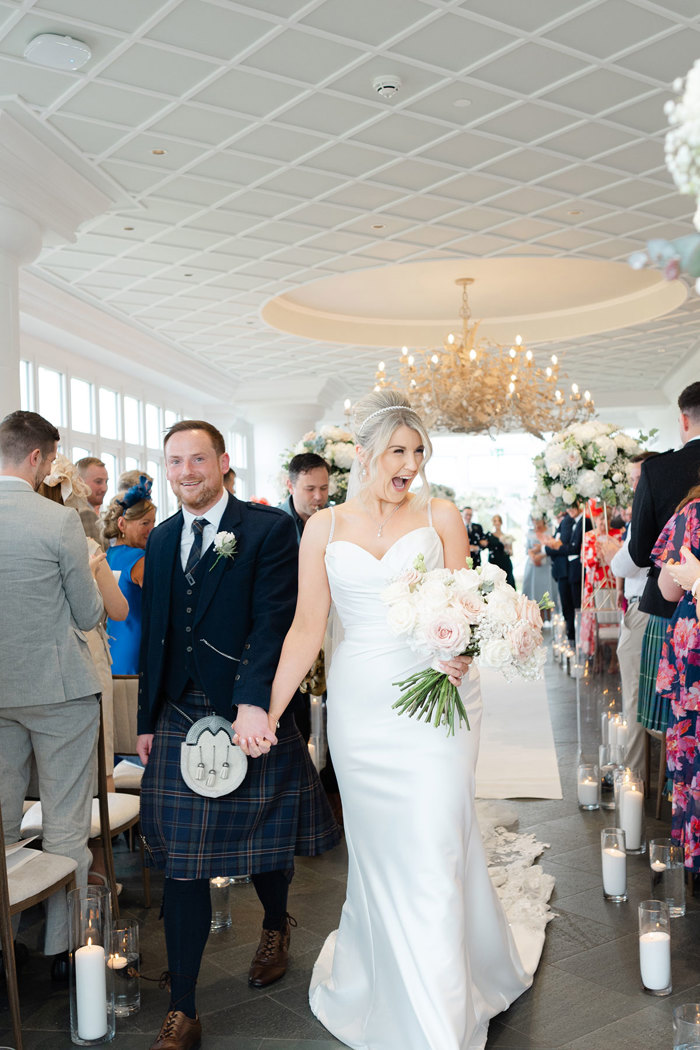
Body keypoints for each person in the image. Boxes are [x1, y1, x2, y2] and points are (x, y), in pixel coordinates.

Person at [252, 390, 543, 1050]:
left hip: (438, 703)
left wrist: (464, 652)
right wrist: (271, 708)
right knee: (384, 852)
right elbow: (307, 626)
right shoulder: (322, 528)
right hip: (362, 709)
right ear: (364, 455)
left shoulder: (440, 514)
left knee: (437, 837)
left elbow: (466, 601)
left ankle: (441, 1013)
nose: (408, 463)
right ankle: (390, 978)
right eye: (397, 451)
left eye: (418, 451)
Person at [136, 420, 339, 1050]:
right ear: (165, 469)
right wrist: (146, 719)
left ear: (223, 462)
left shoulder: (268, 529)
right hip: (178, 716)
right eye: (175, 462)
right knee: (184, 863)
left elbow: (273, 621)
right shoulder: (164, 536)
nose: (186, 471)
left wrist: (255, 703)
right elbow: (158, 634)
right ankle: (185, 1007)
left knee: (264, 837)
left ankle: (276, 925)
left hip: (250, 708)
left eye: (198, 459)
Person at [0, 411, 103, 975]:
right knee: (65, 823)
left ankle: (5, 943)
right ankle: (66, 953)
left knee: (2, 824)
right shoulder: (58, 521)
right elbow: (89, 614)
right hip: (58, 689)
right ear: (39, 457)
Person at [629, 382, 700, 734]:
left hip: (672, 612)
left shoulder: (658, 469)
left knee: (674, 723)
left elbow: (641, 552)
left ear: (684, 421)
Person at [597, 452, 660, 775]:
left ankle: (633, 773)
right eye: (634, 479)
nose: (636, 484)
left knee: (635, 692)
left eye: (638, 477)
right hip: (642, 604)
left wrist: (613, 554)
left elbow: (629, 564)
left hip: (643, 608)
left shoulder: (645, 513)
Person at [652, 492, 700, 876]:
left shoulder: (692, 512)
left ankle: (692, 851)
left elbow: (669, 590)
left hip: (693, 642)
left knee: (690, 745)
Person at [103, 478, 156, 675]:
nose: (151, 530)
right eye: (144, 523)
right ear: (122, 524)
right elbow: (158, 606)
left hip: (112, 645)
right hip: (136, 643)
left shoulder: (107, 555)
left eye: (153, 522)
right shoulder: (139, 559)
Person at [280, 452, 330, 542]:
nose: (318, 497)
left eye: (324, 488)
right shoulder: (273, 521)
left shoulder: (337, 517)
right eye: (310, 489)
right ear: (290, 486)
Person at [522, 516, 554, 616]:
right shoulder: (530, 532)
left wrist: (541, 556)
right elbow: (528, 549)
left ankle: (549, 618)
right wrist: (533, 558)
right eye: (534, 519)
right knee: (533, 592)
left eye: (537, 519)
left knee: (547, 590)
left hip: (546, 563)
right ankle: (535, 617)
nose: (536, 522)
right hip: (533, 565)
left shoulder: (550, 530)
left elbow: (552, 547)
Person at [482, 513, 515, 588]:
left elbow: (511, 552)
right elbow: (483, 545)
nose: (497, 523)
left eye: (498, 521)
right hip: (493, 563)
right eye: (495, 521)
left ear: (501, 522)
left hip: (505, 563)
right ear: (493, 523)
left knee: (506, 585)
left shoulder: (507, 537)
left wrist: (506, 546)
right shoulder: (489, 535)